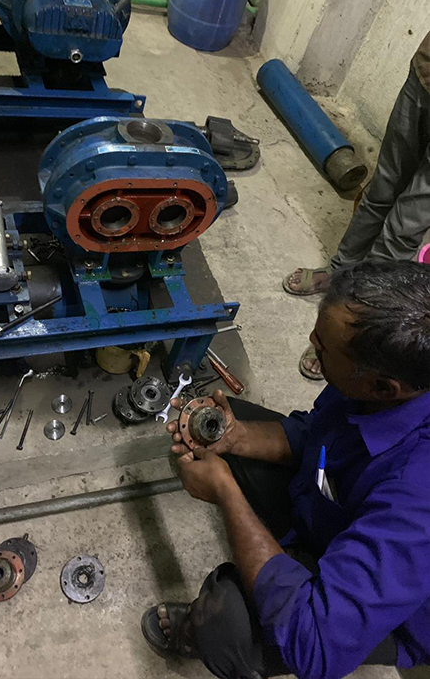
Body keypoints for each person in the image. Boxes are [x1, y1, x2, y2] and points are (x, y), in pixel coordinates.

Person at [141, 260, 430, 679]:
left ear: (383, 387)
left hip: (397, 618)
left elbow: (315, 645)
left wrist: (227, 493)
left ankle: (199, 634)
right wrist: (236, 437)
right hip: (342, 510)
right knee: (222, 426)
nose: (312, 343)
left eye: (323, 349)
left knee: (225, 623)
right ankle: (294, 543)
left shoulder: (416, 502)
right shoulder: (386, 383)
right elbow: (320, 433)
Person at [283, 30, 430, 380]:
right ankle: (339, 272)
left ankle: (355, 319)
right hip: (426, 74)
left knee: (404, 226)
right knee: (381, 189)